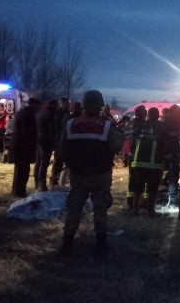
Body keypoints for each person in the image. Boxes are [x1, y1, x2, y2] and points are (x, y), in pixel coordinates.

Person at [60, 90, 121, 255]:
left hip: (78, 174)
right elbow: (116, 147)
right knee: (100, 209)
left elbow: (62, 149)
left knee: (74, 208)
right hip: (101, 174)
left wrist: (71, 164)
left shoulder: (70, 124)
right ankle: (101, 244)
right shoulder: (107, 125)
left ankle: (67, 243)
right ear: (100, 105)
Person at [130, 107, 168, 217]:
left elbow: (133, 141)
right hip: (154, 163)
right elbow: (165, 144)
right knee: (152, 188)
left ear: (148, 115)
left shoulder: (140, 126)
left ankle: (135, 209)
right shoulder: (161, 127)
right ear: (157, 116)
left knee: (138, 187)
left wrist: (132, 155)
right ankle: (150, 211)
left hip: (139, 162)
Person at [11, 98, 41, 198]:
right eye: (38, 106)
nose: (39, 108)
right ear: (33, 105)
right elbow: (27, 133)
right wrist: (31, 145)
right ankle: (20, 192)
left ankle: (16, 190)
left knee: (19, 169)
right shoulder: (28, 116)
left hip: (19, 146)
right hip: (24, 148)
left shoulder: (21, 113)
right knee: (23, 171)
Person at [125, 105, 147, 210]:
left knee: (132, 178)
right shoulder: (142, 125)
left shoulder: (129, 124)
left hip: (130, 155)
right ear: (142, 114)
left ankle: (130, 200)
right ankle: (141, 202)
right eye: (145, 113)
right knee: (141, 179)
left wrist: (126, 154)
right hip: (139, 155)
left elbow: (126, 141)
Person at [164, 104, 180, 208]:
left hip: (175, 154)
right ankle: (179, 200)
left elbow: (166, 140)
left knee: (173, 177)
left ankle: (173, 200)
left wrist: (167, 153)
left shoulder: (168, 123)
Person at [34, 99, 58, 192]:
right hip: (47, 140)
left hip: (39, 139)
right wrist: (54, 141)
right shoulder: (51, 114)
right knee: (44, 162)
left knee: (39, 161)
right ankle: (42, 183)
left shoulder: (40, 113)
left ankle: (37, 182)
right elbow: (52, 129)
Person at [50, 98, 71, 186]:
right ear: (62, 104)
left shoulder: (67, 113)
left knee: (62, 161)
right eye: (67, 104)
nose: (69, 105)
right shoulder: (60, 114)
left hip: (64, 140)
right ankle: (54, 179)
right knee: (58, 160)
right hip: (59, 141)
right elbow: (59, 127)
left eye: (69, 104)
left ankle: (59, 179)